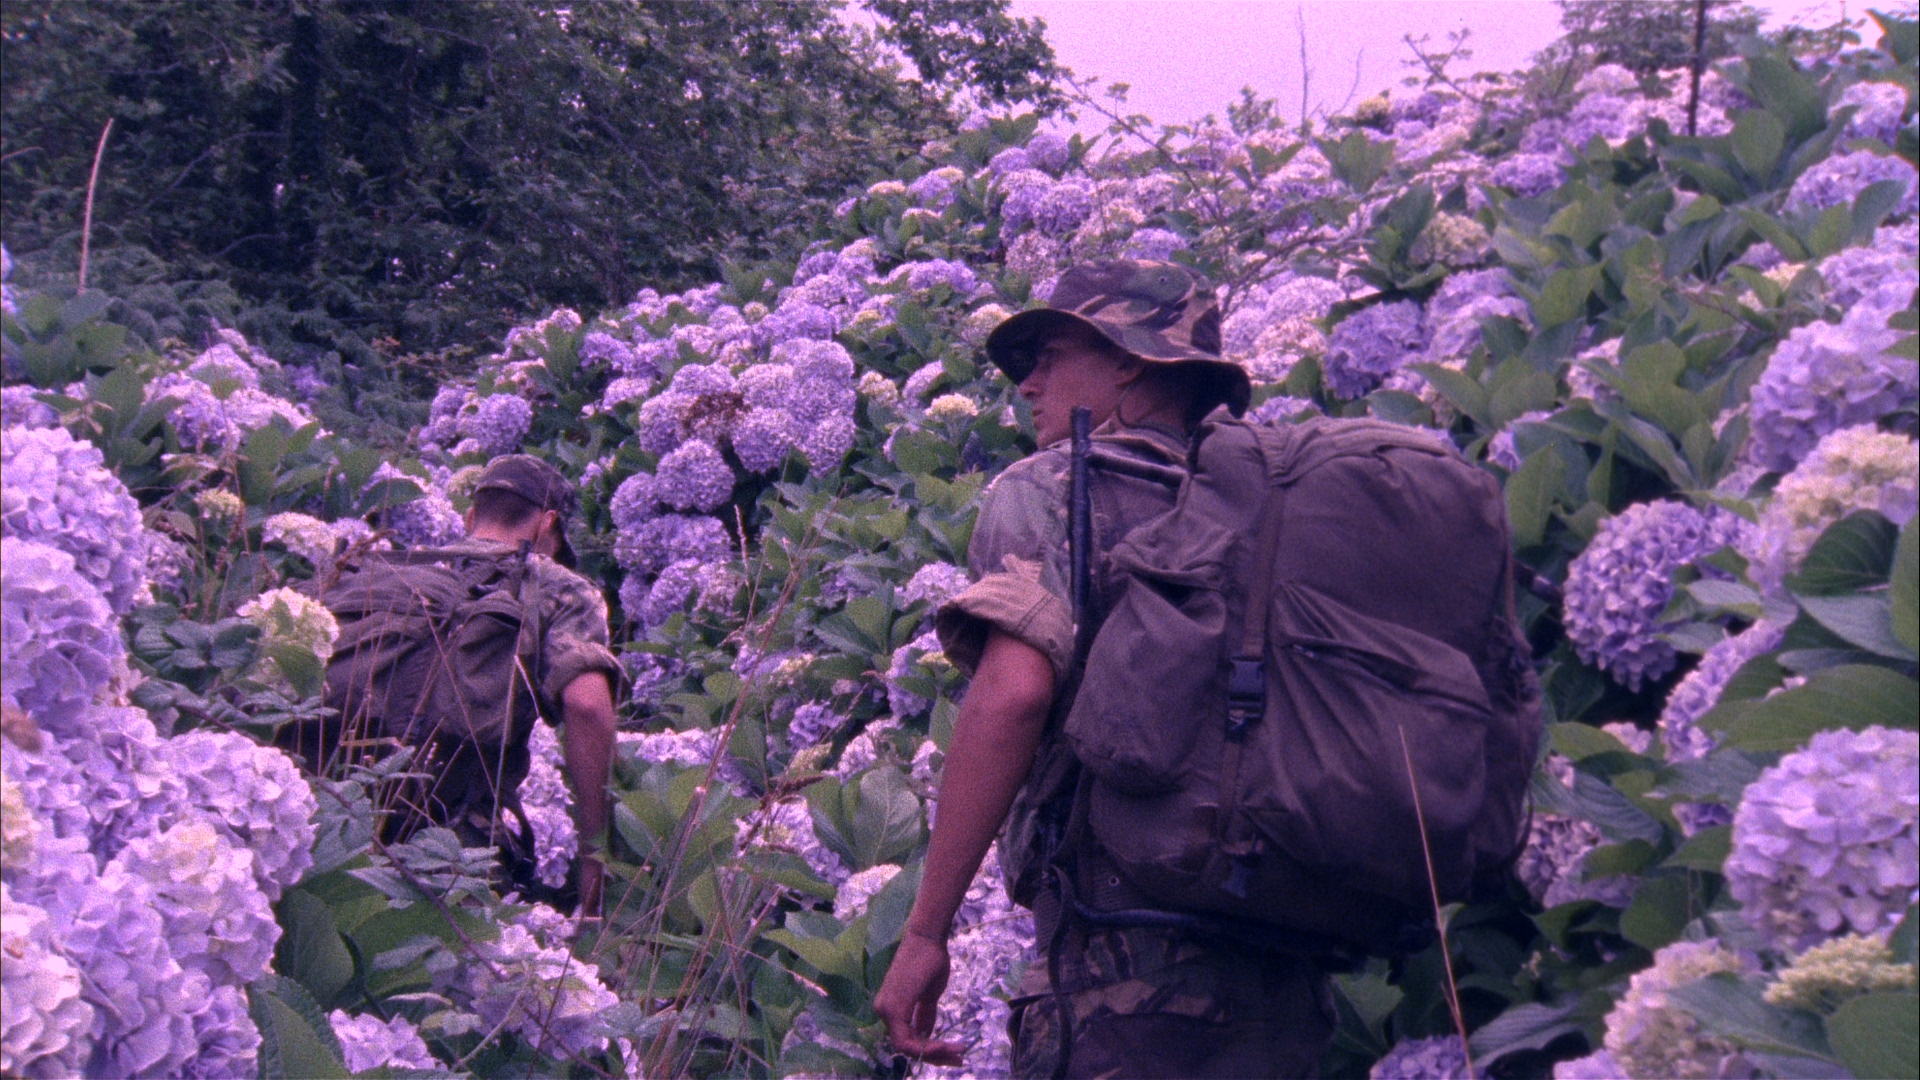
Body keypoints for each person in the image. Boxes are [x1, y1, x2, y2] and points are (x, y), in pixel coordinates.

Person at [874, 261, 1334, 1078]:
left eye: (1048, 354)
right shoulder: (1282, 511)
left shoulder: (1051, 487)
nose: (1028, 384)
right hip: (1287, 987)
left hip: (1122, 983)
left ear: (1130, 359)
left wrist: (925, 932)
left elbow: (1013, 695)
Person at [302, 455, 620, 915]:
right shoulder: (559, 587)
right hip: (444, 850)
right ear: (547, 523)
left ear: (471, 517)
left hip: (324, 812)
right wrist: (595, 855)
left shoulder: (378, 568)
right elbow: (588, 708)